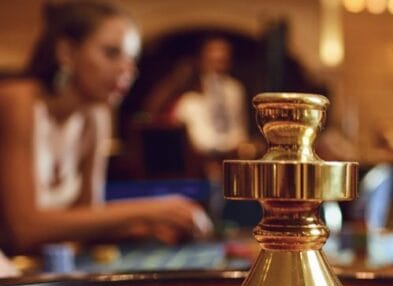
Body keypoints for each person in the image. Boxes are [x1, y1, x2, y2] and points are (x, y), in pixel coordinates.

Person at [0, 1, 211, 255]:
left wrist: (150, 225)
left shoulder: (96, 117)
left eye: (132, 59)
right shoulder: (17, 101)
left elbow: (85, 223)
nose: (127, 70)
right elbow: (25, 229)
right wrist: (151, 210)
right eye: (112, 53)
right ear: (67, 51)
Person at [171, 37, 249, 160]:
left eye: (222, 58)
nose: (218, 60)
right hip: (200, 159)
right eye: (213, 58)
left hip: (232, 154)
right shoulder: (189, 94)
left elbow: (239, 125)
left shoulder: (235, 89)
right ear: (202, 59)